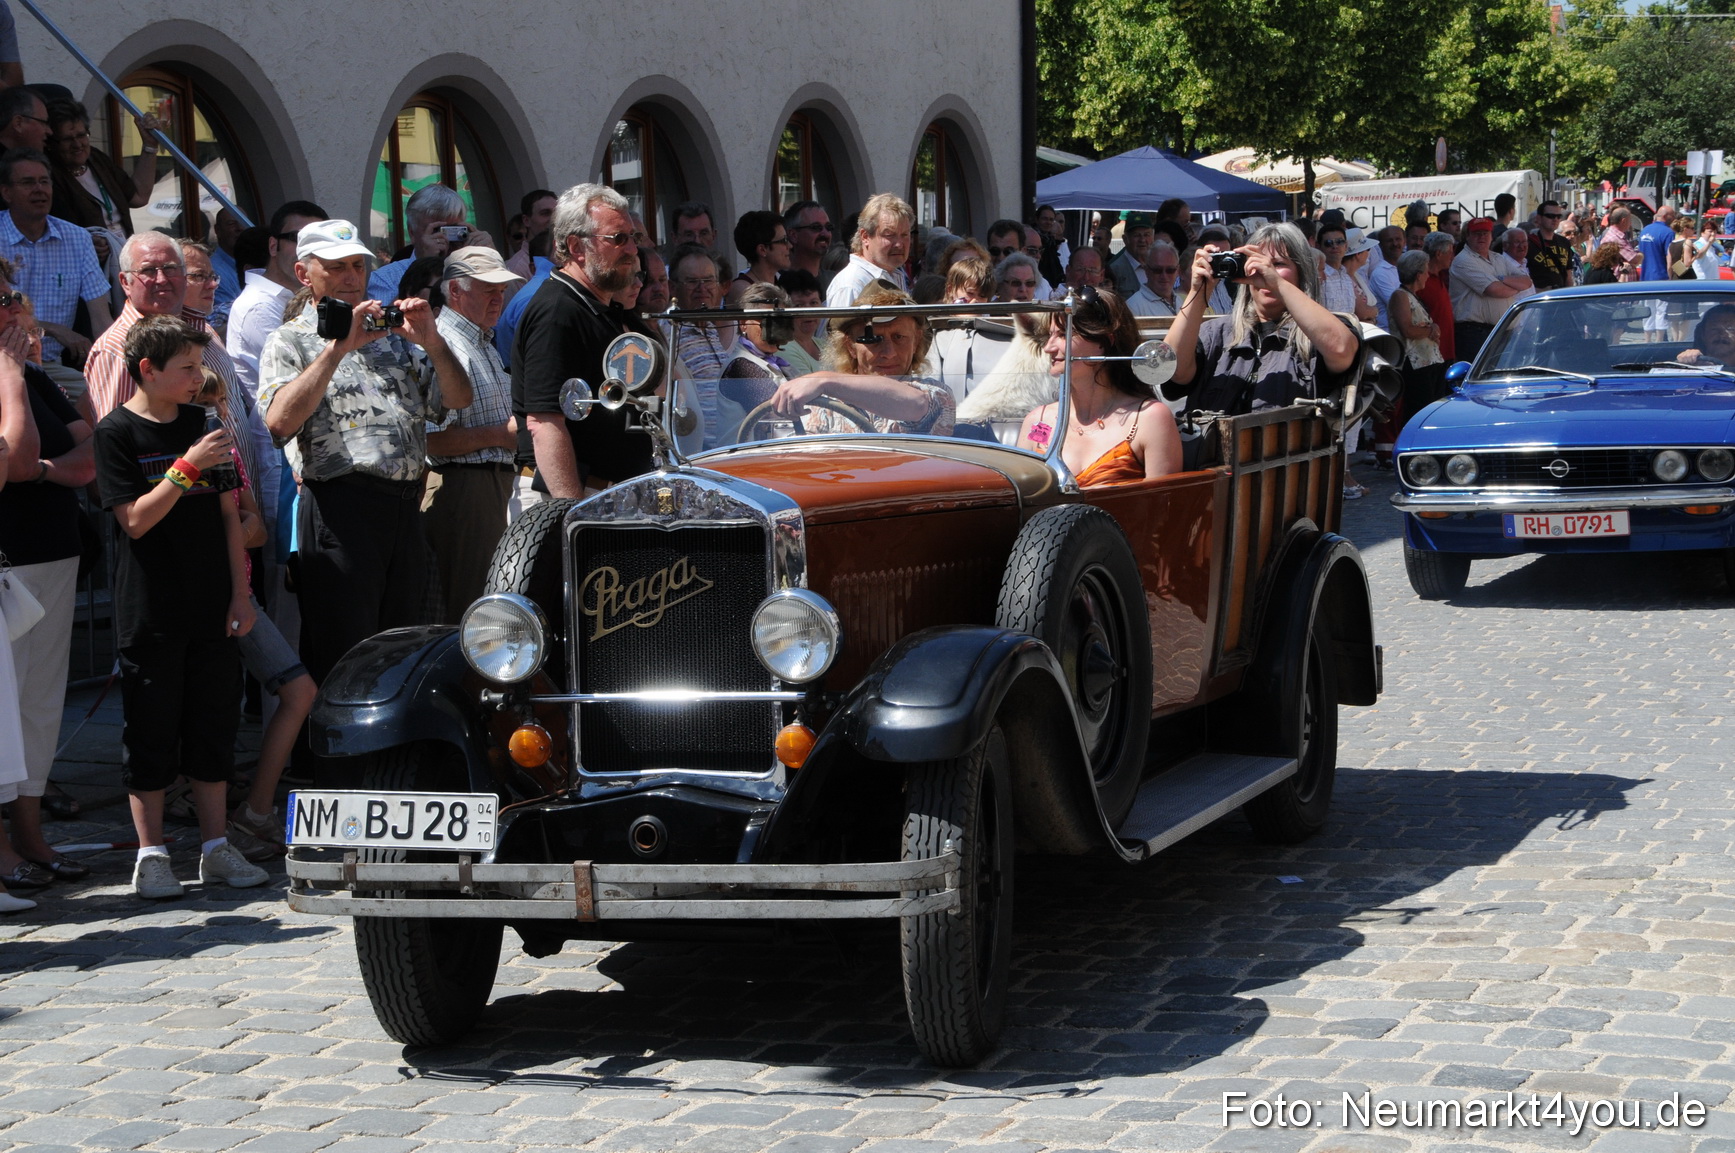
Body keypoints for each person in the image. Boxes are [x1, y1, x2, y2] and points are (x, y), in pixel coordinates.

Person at [93, 314, 269, 898]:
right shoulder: (117, 432)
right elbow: (136, 520)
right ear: (147, 370)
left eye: (201, 367)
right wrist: (185, 466)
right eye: (187, 368)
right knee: (151, 730)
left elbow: (228, 514)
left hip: (212, 601)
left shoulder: (203, 421)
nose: (199, 379)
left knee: (212, 728)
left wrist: (240, 593)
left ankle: (217, 848)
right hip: (150, 607)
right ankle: (152, 854)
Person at [258, 219, 472, 684]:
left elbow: (456, 401)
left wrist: (433, 343)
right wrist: (336, 349)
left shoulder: (394, 336)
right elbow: (277, 424)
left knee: (400, 652)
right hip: (341, 510)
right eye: (335, 268)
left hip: (403, 509)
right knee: (344, 656)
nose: (351, 277)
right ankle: (336, 758)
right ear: (304, 273)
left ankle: (390, 756)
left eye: (357, 265)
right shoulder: (290, 340)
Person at [190, 363, 314, 860]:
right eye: (207, 406)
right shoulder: (179, 450)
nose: (216, 416)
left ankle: (257, 813)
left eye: (220, 406)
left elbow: (255, 527)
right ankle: (209, 838)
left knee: (299, 689)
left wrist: (231, 529)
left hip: (240, 595)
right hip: (196, 601)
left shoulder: (226, 455)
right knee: (206, 717)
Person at [0, 258, 92, 891]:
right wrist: (7, 372)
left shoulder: (33, 375)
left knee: (38, 708)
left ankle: (31, 836)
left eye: (14, 296)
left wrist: (50, 474)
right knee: (3, 716)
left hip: (53, 552)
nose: (15, 309)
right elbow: (19, 456)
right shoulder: (12, 375)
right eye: (3, 300)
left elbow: (88, 454)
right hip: (9, 564)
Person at [514, 183, 652, 499]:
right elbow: (544, 422)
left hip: (608, 495)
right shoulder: (557, 312)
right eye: (618, 239)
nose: (631, 250)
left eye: (634, 238)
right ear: (577, 247)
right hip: (570, 496)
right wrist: (572, 516)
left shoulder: (600, 309)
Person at [1162, 221, 1359, 417]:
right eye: (1256, 263)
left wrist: (1277, 283)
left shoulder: (1320, 332)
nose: (1264, 271)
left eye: (1279, 264)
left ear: (1302, 271)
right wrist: (1198, 291)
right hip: (1213, 446)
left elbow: (1341, 349)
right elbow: (1174, 370)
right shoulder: (1216, 334)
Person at [422, 245, 521, 624]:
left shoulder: (480, 340)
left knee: (484, 606)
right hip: (462, 489)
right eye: (488, 289)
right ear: (456, 292)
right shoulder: (446, 342)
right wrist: (501, 434)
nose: (498, 298)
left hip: (484, 488)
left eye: (501, 289)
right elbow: (431, 440)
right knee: (469, 612)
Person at [1016, 287, 1180, 486]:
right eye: (1049, 335)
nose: (1048, 348)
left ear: (1104, 342)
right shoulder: (1037, 420)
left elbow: (1164, 509)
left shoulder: (1150, 418)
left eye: (1063, 335)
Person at [765, 282, 954, 436]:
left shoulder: (937, 394)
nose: (889, 352)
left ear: (917, 341)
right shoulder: (823, 405)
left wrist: (824, 379)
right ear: (850, 346)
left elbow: (916, 404)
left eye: (899, 338)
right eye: (873, 340)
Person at [0, 147, 112, 370]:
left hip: (50, 364)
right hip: (3, 358)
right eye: (28, 182)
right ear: (6, 193)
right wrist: (53, 329)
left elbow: (101, 318)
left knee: (99, 399)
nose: (39, 189)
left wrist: (112, 367)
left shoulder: (77, 239)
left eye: (44, 181)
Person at [227, 200, 326, 399]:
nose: (307, 250)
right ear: (273, 246)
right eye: (297, 238)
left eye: (319, 241)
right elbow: (305, 376)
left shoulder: (303, 296)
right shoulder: (259, 306)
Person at [43, 100, 161, 245]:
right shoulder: (48, 176)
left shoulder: (96, 159)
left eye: (81, 135)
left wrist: (150, 146)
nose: (77, 144)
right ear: (51, 143)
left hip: (124, 253)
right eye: (67, 139)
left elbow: (139, 197)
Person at [366, 184, 491, 304]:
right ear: (412, 233)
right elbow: (387, 322)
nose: (446, 238)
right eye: (436, 230)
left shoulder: (473, 268)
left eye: (453, 230)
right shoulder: (385, 279)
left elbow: (503, 316)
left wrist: (491, 262)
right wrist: (424, 268)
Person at [667, 243, 733, 447]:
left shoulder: (709, 327)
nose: (702, 289)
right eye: (692, 282)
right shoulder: (670, 331)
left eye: (708, 280)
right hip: (698, 453)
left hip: (726, 447)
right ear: (673, 287)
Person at [718, 281, 796, 441]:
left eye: (779, 321)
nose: (774, 329)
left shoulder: (782, 364)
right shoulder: (741, 366)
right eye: (766, 320)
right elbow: (778, 415)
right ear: (743, 324)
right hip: (741, 461)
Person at [1449, 217, 1531, 361]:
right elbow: (1495, 290)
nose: (1482, 237)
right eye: (1477, 233)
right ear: (1468, 236)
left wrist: (1502, 279)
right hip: (1474, 333)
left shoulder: (1498, 258)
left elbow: (1527, 282)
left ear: (1491, 236)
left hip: (1500, 332)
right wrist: (1514, 287)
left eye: (1485, 233)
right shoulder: (1463, 260)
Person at [1387, 248, 1445, 421]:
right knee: (1419, 412)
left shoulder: (1413, 296)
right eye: (1426, 271)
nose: (1428, 275)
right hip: (1414, 365)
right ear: (1418, 274)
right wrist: (1430, 330)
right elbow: (1407, 330)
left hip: (1428, 363)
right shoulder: (1400, 296)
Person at [826, 193, 913, 305]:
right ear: (865, 237)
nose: (899, 244)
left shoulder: (894, 275)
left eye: (905, 235)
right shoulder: (851, 285)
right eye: (889, 235)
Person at [724, 210, 791, 306]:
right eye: (784, 240)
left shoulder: (781, 283)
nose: (790, 246)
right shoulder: (743, 289)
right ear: (762, 250)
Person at [1637, 204, 1678, 341]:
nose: (1674, 219)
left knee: (1648, 310)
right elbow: (1669, 257)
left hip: (1645, 276)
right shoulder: (1668, 233)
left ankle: (1647, 340)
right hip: (1661, 276)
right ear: (1666, 216)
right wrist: (1671, 275)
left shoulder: (1645, 231)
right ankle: (1659, 340)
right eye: (1672, 216)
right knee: (1661, 310)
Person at [775, 268, 827, 376]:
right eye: (799, 305)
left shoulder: (823, 345)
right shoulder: (784, 348)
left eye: (814, 303)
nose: (808, 311)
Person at [1417, 231, 1456, 364]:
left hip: (1445, 351)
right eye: (1450, 252)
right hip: (1429, 355)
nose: (1452, 257)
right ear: (1439, 254)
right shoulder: (1421, 280)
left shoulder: (1439, 276)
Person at [1529, 200, 1574, 291]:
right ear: (1539, 218)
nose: (1555, 219)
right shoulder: (1529, 243)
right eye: (1550, 216)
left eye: (1558, 216)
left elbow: (1568, 275)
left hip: (1560, 297)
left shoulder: (1564, 242)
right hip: (1538, 298)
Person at [1128, 241, 1182, 317]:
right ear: (1147, 271)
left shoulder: (1181, 301)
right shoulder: (1133, 306)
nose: (1164, 276)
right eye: (1157, 270)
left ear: (1178, 271)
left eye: (1170, 270)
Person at [1109, 212, 1156, 297]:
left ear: (1153, 238)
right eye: (1136, 235)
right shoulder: (1114, 270)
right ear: (1125, 239)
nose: (1142, 240)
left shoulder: (1158, 265)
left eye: (1146, 235)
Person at [782, 199, 832, 280]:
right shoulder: (778, 283)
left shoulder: (836, 282)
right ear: (793, 235)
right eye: (816, 227)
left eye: (828, 227)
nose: (825, 234)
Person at [1369, 227, 1404, 328]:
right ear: (1380, 245)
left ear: (1404, 241)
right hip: (1389, 335)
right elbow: (1399, 305)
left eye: (1398, 239)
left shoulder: (1407, 266)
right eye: (1389, 240)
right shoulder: (1380, 273)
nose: (1395, 244)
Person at [1599, 207, 1641, 281]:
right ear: (1623, 221)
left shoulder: (1617, 236)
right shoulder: (1616, 239)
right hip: (1621, 282)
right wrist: (1643, 254)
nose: (1630, 223)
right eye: (1629, 220)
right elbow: (1635, 260)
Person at [1690, 217, 1726, 283]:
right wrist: (1709, 243)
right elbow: (1699, 255)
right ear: (1702, 233)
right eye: (1710, 231)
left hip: (1713, 281)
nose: (1713, 234)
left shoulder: (1711, 246)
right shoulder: (1698, 243)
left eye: (1714, 232)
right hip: (1703, 281)